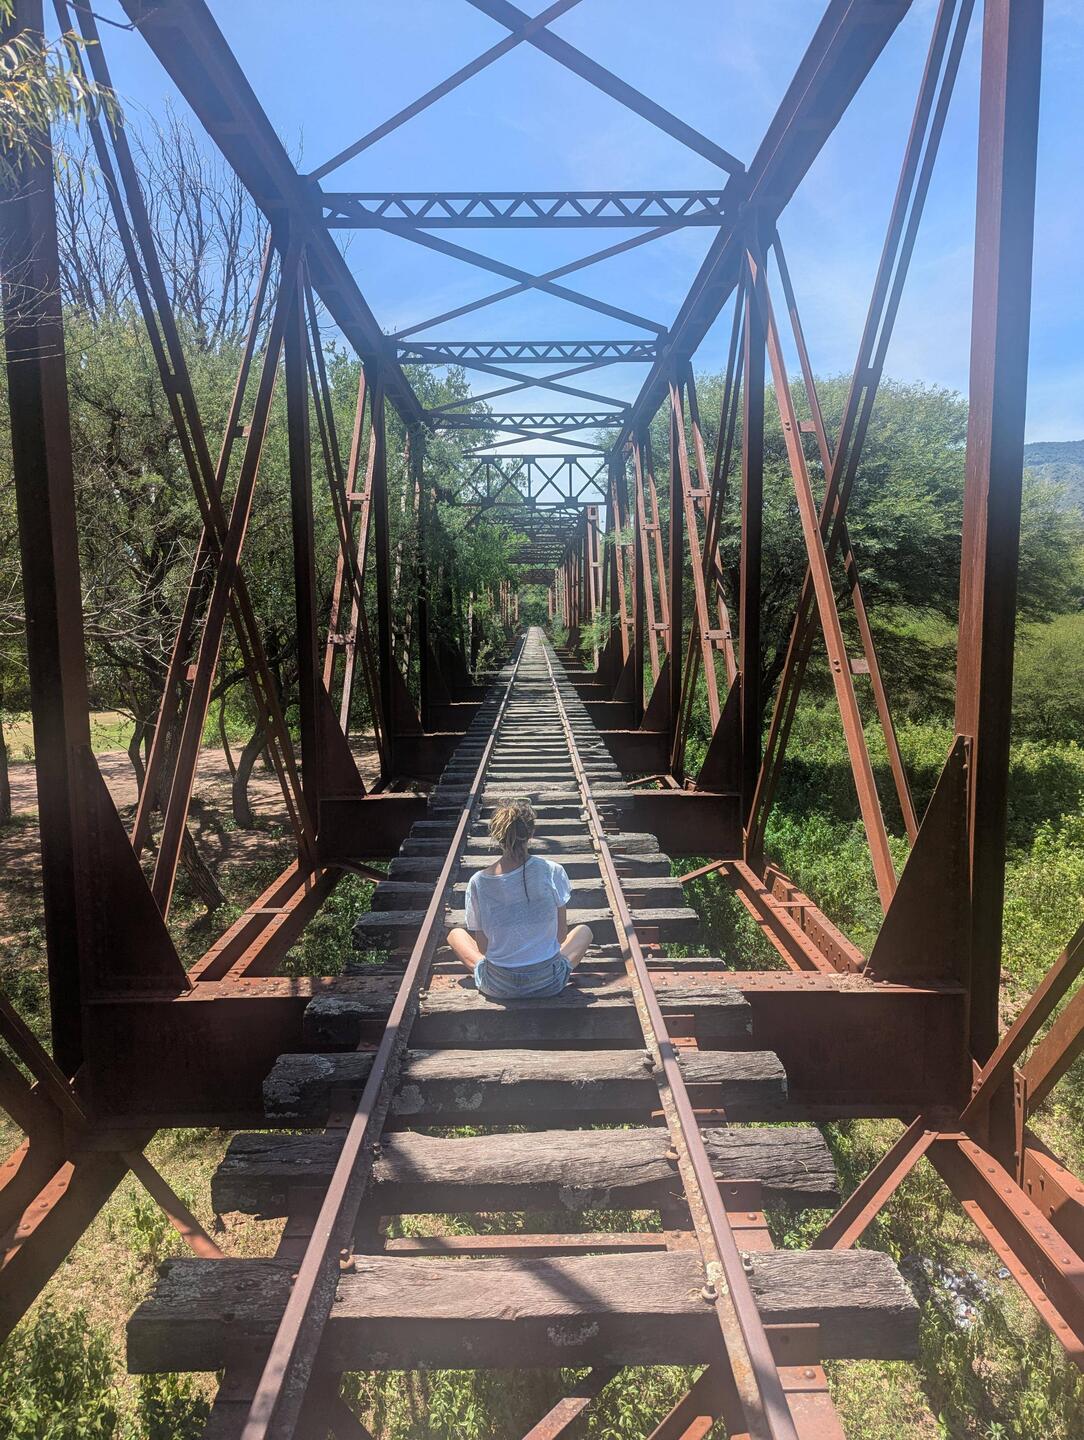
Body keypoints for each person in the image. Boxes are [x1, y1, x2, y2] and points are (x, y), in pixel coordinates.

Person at [446, 798, 593, 998]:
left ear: (496, 835)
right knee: (584, 931)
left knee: (455, 935)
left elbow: (483, 948)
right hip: (548, 983)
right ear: (531, 833)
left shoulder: (477, 882)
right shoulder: (552, 871)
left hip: (498, 986)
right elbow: (560, 937)